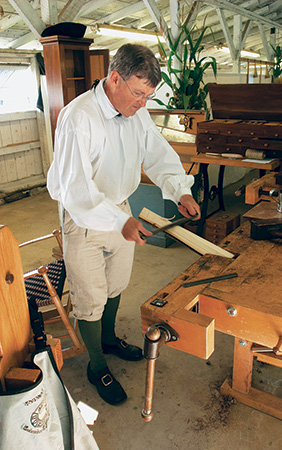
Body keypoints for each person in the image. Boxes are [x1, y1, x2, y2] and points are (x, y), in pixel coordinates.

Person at [47, 43, 200, 406]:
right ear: (114, 78)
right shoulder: (78, 117)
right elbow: (77, 189)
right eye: (137, 93)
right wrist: (120, 221)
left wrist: (179, 190)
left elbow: (157, 152)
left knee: (116, 283)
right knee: (90, 296)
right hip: (85, 215)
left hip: (120, 207)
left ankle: (110, 339)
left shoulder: (135, 112)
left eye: (148, 96)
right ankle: (95, 364)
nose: (142, 103)